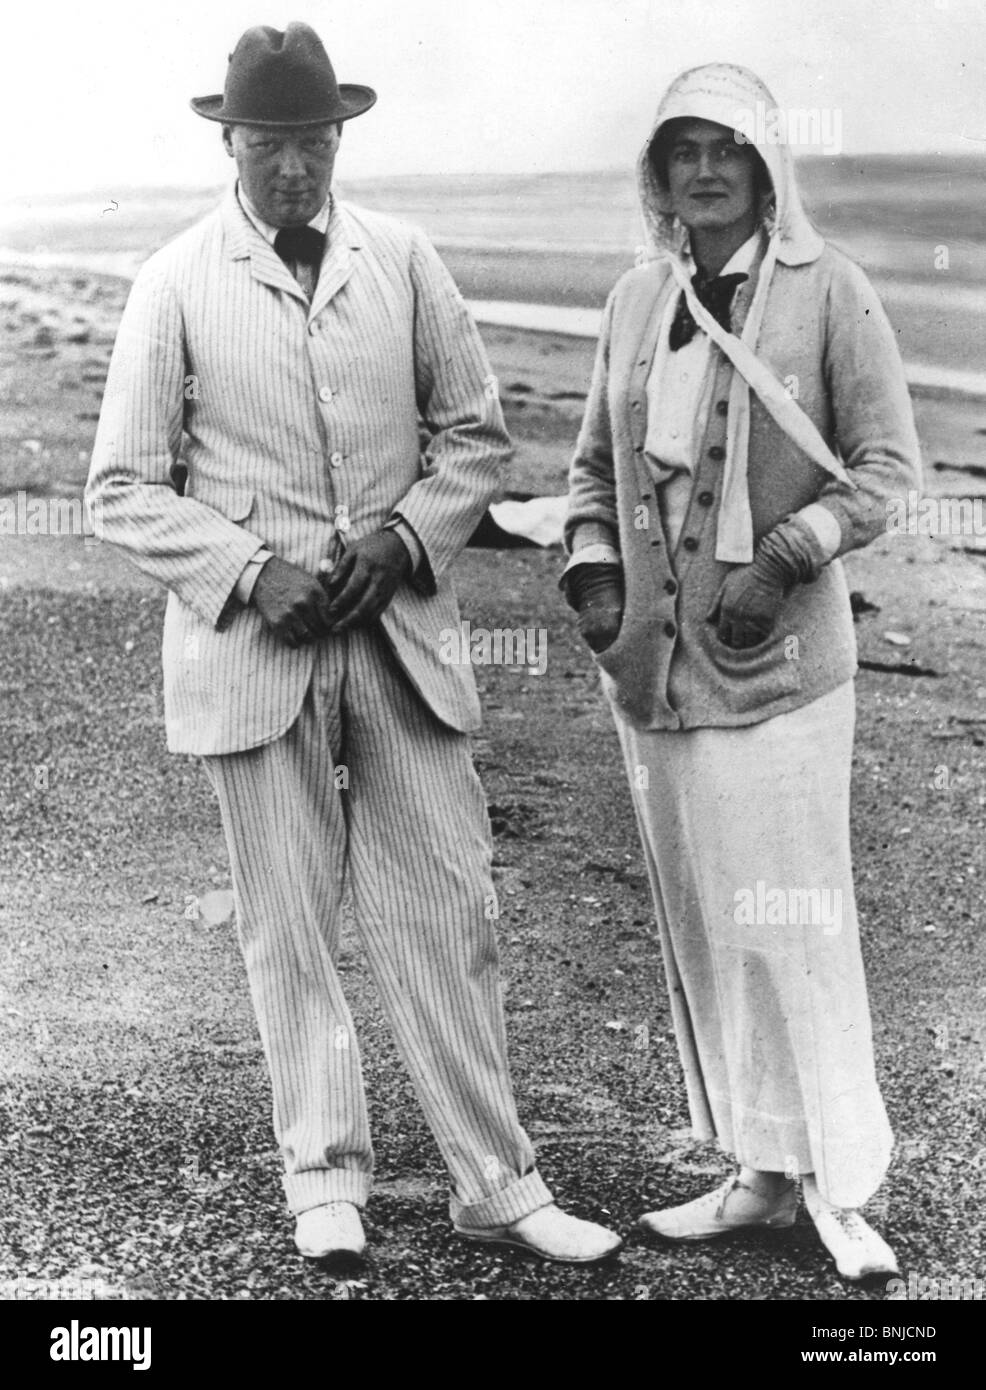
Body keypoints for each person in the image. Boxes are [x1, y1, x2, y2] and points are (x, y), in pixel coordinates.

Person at [86, 21, 620, 1268]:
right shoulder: (174, 281)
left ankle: (497, 1180)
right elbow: (120, 486)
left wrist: (402, 541)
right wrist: (247, 571)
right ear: (232, 140)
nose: (293, 167)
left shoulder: (407, 259)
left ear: (340, 137)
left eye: (313, 139)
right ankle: (323, 1179)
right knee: (287, 925)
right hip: (255, 659)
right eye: (269, 142)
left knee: (446, 907)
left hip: (401, 649)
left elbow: (475, 441)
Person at [562, 63, 920, 1282]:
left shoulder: (831, 293)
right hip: (654, 683)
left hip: (777, 676)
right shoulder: (628, 301)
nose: (702, 170)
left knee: (794, 924)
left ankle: (838, 1187)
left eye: (726, 148)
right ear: (654, 177)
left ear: (766, 165)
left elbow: (882, 468)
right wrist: (594, 583)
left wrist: (781, 558)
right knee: (707, 928)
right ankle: (757, 1169)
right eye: (680, 152)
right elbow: (587, 476)